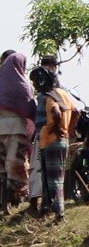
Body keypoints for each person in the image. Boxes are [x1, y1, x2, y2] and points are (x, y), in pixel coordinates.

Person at [0, 51, 36, 214]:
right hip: (16, 130)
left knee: (3, 171)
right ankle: (18, 202)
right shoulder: (24, 84)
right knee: (17, 168)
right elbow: (30, 107)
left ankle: (5, 205)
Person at [32, 67, 79, 223]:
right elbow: (77, 112)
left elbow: (57, 112)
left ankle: (59, 215)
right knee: (51, 177)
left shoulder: (50, 95)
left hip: (51, 140)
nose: (34, 86)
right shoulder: (64, 93)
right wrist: (69, 130)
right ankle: (45, 211)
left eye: (34, 82)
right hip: (61, 141)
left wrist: (56, 127)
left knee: (54, 180)